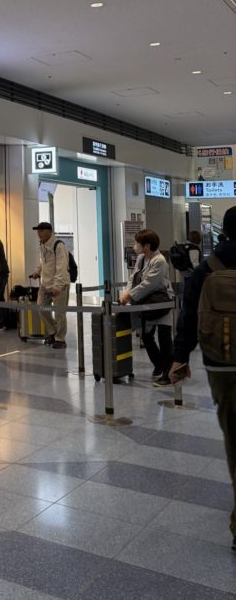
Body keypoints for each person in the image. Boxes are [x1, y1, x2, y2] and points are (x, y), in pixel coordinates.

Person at [169, 205, 236, 553]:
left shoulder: (208, 267)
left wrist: (180, 357)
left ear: (224, 231)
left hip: (221, 363)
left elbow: (189, 314)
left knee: (234, 436)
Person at [118, 228, 174, 386]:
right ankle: (159, 364)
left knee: (164, 338)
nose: (135, 245)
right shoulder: (142, 258)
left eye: (138, 243)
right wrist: (126, 292)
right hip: (146, 303)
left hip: (161, 302)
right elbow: (133, 277)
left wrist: (129, 295)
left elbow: (149, 283)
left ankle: (168, 374)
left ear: (147, 245)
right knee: (147, 336)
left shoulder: (160, 261)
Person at [30, 222, 70, 349]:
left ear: (49, 232)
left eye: (41, 231)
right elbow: (42, 262)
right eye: (38, 231)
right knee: (41, 307)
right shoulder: (42, 245)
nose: (38, 233)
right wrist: (37, 272)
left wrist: (57, 286)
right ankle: (52, 332)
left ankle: (60, 339)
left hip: (59, 284)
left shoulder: (59, 246)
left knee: (59, 313)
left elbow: (62, 267)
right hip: (45, 284)